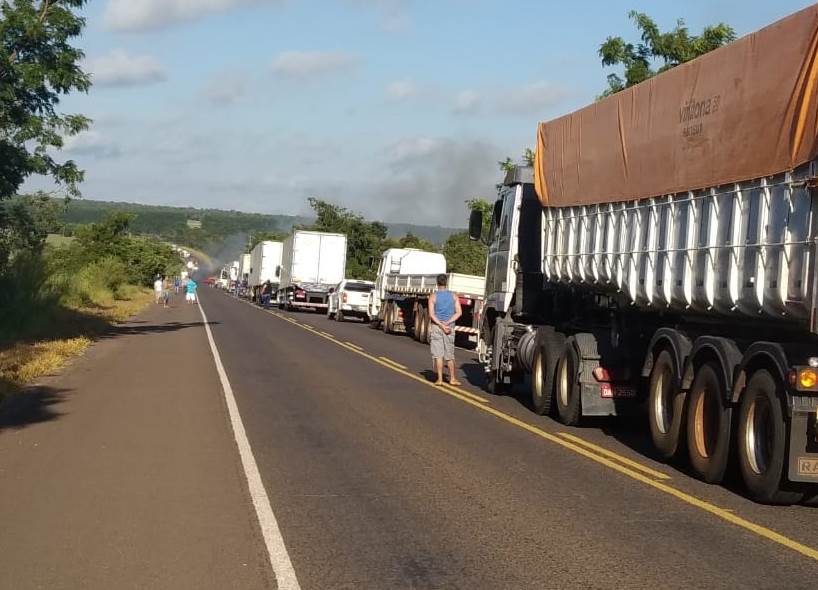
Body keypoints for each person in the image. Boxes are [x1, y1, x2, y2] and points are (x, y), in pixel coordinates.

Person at [428, 274, 462, 386]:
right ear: (446, 283)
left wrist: (441, 324)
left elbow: (432, 314)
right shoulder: (454, 296)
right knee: (450, 354)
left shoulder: (433, 296)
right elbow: (459, 312)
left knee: (438, 355)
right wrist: (447, 323)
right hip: (449, 327)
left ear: (437, 283)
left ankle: (440, 379)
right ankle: (452, 378)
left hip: (437, 327)